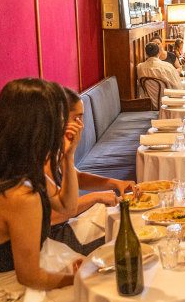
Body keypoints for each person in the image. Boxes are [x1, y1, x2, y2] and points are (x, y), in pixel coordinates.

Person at [0, 78, 81, 302]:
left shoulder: (17, 168)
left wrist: (68, 158)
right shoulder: (19, 194)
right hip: (8, 300)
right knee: (107, 296)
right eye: (59, 119)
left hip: (26, 281)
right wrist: (81, 279)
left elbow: (67, 207)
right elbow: (30, 277)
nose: (64, 126)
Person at [48, 87, 138, 256]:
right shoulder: (42, 157)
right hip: (54, 241)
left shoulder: (56, 149)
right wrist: (95, 197)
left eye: (82, 118)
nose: (81, 125)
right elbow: (52, 216)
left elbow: (77, 178)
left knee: (126, 213)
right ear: (57, 119)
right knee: (125, 227)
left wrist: (115, 183)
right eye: (77, 118)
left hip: (67, 223)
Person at [137, 42, 183, 108]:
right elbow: (178, 88)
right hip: (167, 105)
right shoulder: (168, 67)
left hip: (148, 106)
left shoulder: (139, 67)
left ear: (146, 54)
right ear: (159, 53)